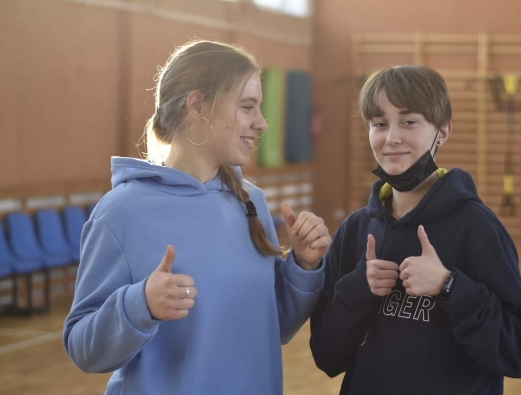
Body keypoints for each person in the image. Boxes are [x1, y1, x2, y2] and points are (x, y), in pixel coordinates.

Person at [63, 40, 331, 395]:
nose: (261, 123)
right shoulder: (121, 212)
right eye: (247, 106)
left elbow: (275, 324)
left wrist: (304, 264)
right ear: (197, 106)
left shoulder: (250, 201)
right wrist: (140, 304)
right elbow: (83, 349)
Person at [310, 65, 521, 394]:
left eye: (409, 121)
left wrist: (450, 286)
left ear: (443, 131)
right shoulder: (355, 230)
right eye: (379, 124)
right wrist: (357, 291)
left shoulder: (477, 228)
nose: (391, 138)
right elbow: (326, 355)